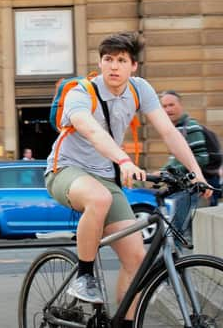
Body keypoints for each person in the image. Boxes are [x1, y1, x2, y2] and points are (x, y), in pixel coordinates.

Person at [44, 32, 211, 326]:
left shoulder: (140, 89)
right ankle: (84, 277)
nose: (114, 66)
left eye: (122, 60)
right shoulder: (81, 92)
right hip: (66, 171)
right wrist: (123, 160)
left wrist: (197, 174)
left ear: (133, 66)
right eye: (108, 59)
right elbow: (93, 132)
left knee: (136, 259)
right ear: (100, 62)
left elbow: (169, 132)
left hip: (106, 177)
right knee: (99, 198)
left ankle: (123, 323)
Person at [160, 90, 220, 207]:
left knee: (191, 224)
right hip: (188, 187)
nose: (168, 110)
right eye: (164, 106)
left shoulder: (190, 127)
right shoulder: (176, 128)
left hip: (200, 186)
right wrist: (163, 171)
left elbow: (201, 158)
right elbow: (176, 159)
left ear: (180, 105)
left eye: (171, 105)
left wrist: (171, 172)